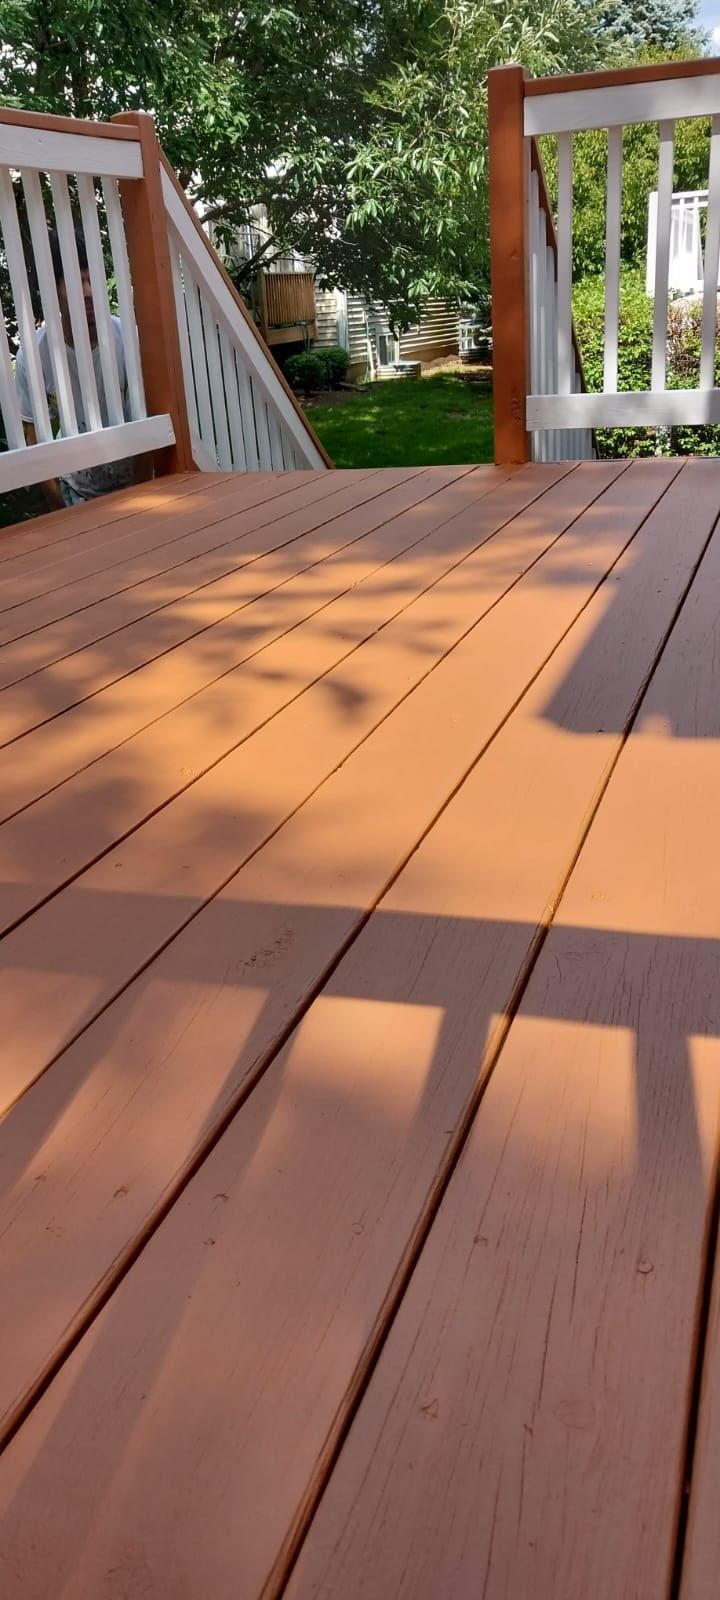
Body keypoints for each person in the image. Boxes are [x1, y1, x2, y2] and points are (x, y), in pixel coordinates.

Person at [14, 228, 150, 511]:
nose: (88, 293)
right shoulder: (35, 355)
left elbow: (153, 416)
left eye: (92, 281)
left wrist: (143, 490)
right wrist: (59, 507)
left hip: (136, 486)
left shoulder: (129, 338)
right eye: (77, 283)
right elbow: (34, 437)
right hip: (75, 494)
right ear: (53, 292)